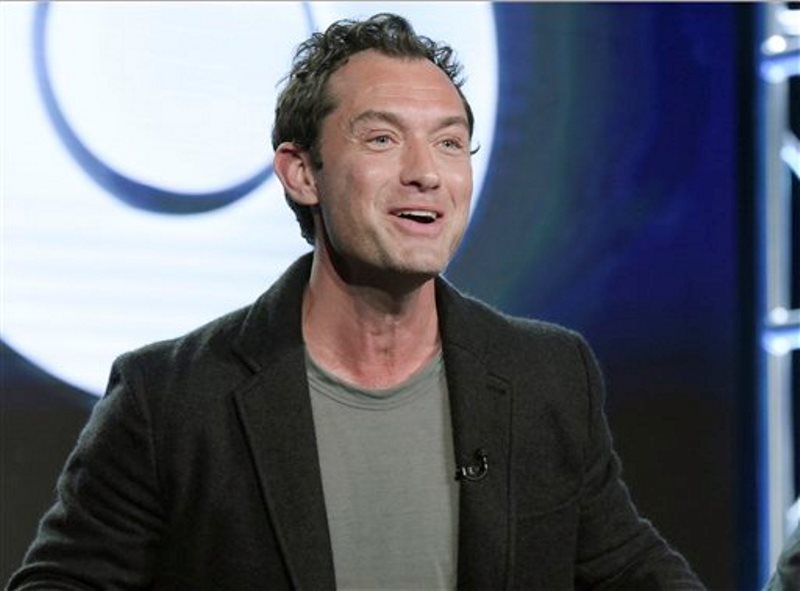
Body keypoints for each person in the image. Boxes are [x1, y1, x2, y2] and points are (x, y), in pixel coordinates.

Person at [9, 13, 705, 590]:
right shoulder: (170, 400)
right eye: (382, 139)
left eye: (450, 143)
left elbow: (628, 570)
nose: (426, 173)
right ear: (301, 173)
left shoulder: (545, 376)